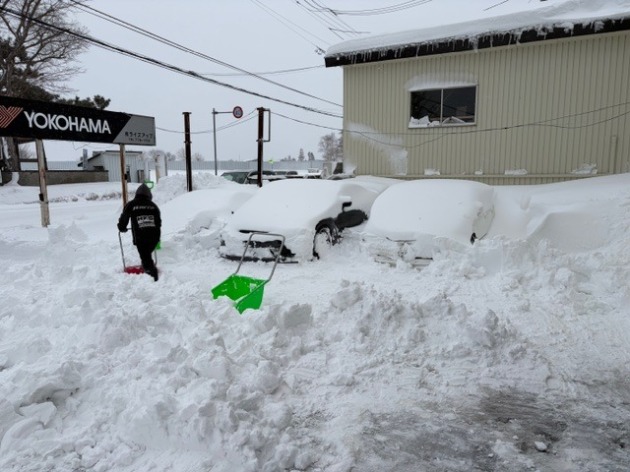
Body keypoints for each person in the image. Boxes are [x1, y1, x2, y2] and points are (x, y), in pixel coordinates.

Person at [117, 183, 161, 281]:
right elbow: (158, 222)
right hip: (154, 237)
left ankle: (153, 275)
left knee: (145, 256)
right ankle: (149, 269)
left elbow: (124, 218)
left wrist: (122, 228)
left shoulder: (131, 204)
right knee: (146, 255)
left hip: (140, 236)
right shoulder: (153, 206)